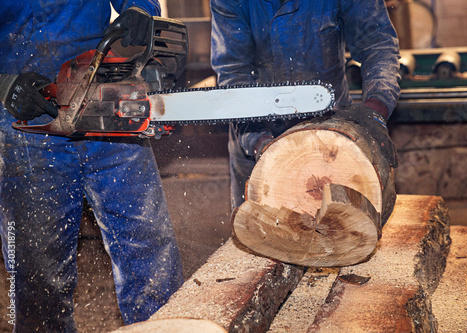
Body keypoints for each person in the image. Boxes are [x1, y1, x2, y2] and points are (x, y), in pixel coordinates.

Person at [0, 1, 183, 331]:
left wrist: (140, 8)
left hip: (99, 96)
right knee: (39, 279)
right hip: (24, 119)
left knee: (149, 251)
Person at [210, 0, 401, 209]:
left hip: (335, 134)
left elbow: (377, 43)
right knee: (258, 233)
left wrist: (376, 109)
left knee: (345, 228)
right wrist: (258, 141)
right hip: (256, 130)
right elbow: (233, 72)